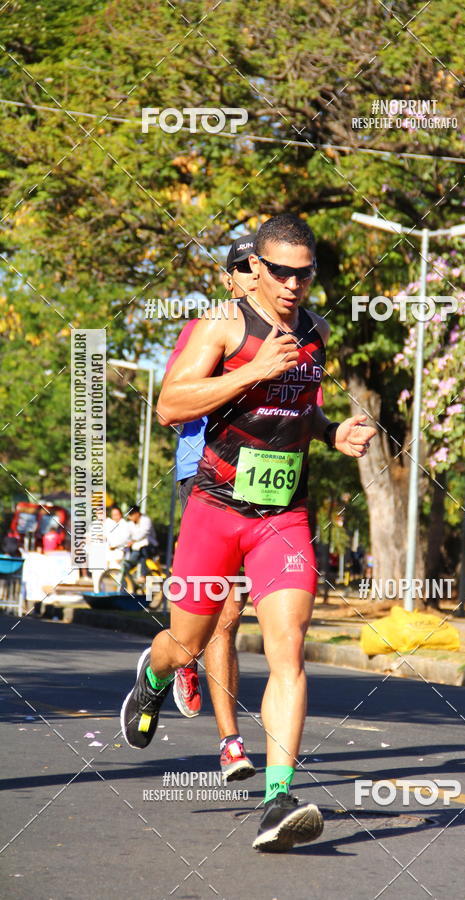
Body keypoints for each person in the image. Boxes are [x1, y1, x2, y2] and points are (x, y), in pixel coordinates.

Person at [120, 213, 376, 852]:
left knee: (288, 648)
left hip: (283, 516)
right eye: (281, 271)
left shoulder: (316, 331)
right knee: (186, 643)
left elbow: (296, 411)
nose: (293, 284)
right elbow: (172, 404)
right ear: (255, 270)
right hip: (214, 509)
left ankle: (278, 797)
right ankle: (152, 678)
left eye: (304, 272)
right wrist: (252, 369)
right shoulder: (222, 326)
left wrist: (330, 431)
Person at [167, 233, 259, 783]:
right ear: (229, 279)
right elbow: (174, 406)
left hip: (265, 486)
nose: (253, 277)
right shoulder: (209, 328)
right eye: (243, 269)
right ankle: (182, 658)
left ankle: (231, 744)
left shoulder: (294, 334)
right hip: (204, 476)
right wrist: (236, 380)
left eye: (259, 267)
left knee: (232, 614)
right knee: (211, 617)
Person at [124, 505, 158, 578]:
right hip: (136, 548)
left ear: (137, 514)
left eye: (131, 515)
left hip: (150, 546)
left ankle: (143, 575)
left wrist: (132, 541)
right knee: (131, 558)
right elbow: (127, 535)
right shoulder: (130, 524)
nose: (129, 517)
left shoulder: (146, 520)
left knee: (142, 552)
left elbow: (143, 533)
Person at [103, 505, 132, 571]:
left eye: (116, 514)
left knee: (116, 569)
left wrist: (114, 546)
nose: (115, 516)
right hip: (110, 551)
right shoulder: (110, 524)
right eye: (113, 515)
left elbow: (124, 539)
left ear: (120, 514)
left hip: (121, 551)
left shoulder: (125, 525)